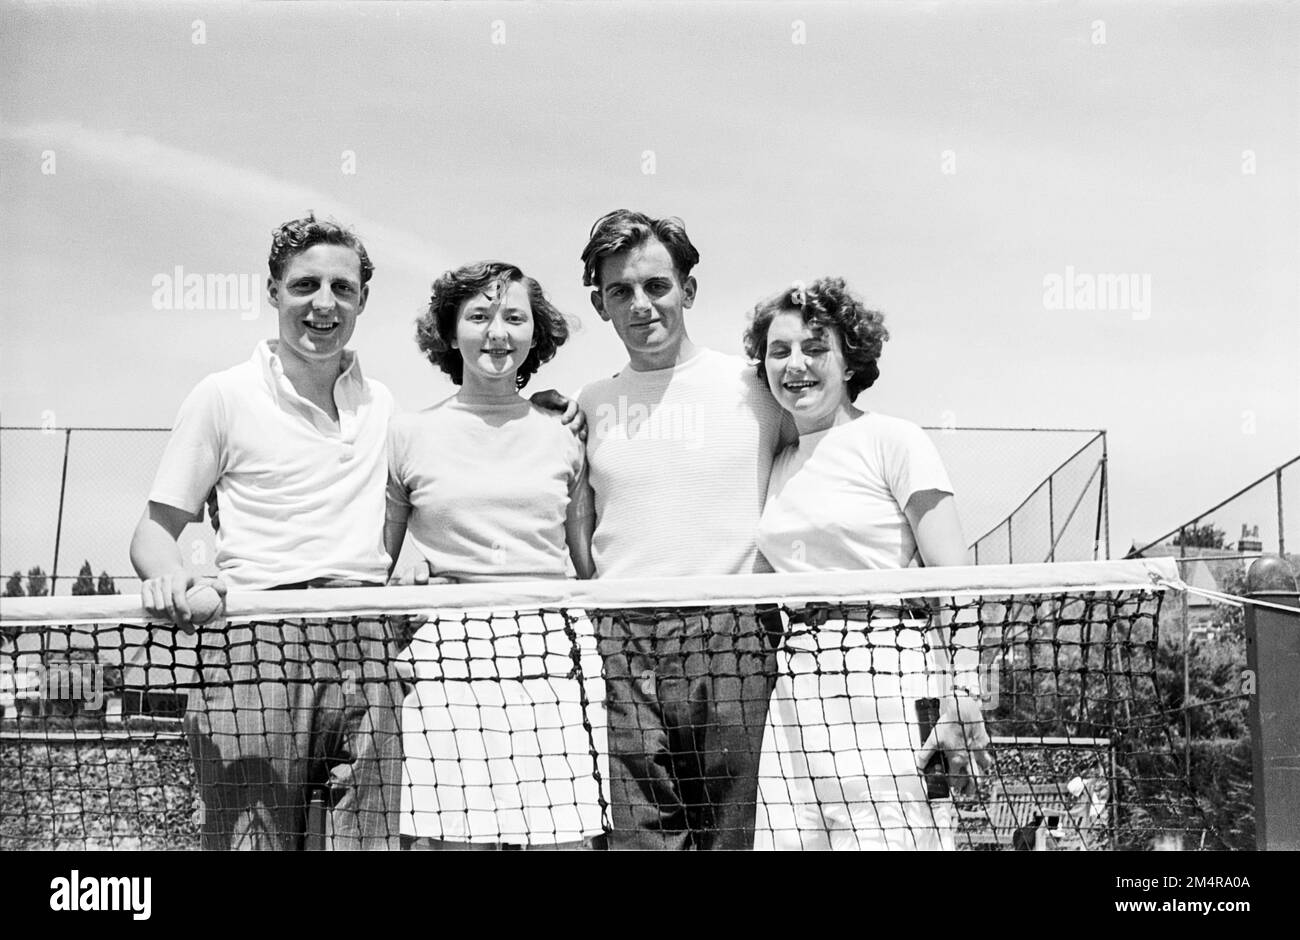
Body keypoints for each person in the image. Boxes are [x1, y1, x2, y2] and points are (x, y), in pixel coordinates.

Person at [130, 214, 403, 849]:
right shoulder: (222, 394)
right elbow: (152, 532)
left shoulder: (384, 404)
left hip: (366, 638)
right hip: (254, 641)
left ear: (363, 298)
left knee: (370, 842)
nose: (323, 303)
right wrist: (172, 578)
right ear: (273, 290)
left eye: (342, 287)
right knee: (251, 841)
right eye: (305, 284)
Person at [743, 277, 992, 850]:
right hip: (796, 689)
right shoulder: (778, 461)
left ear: (850, 356)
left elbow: (958, 578)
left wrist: (965, 691)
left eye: (814, 347)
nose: (795, 364)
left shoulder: (895, 440)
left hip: (892, 680)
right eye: (779, 352)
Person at [577, 210, 794, 849]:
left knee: (732, 837)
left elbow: (824, 458)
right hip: (621, 641)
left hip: (734, 637)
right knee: (642, 841)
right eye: (621, 291)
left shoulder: (758, 387)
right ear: (600, 304)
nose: (641, 305)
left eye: (657, 286)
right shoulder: (588, 405)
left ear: (688, 291)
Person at [386, 261, 606, 850]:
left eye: (514, 317)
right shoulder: (407, 432)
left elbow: (585, 562)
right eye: (479, 316)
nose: (497, 333)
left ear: (537, 334)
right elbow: (375, 563)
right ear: (450, 331)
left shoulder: (566, 430)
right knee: (455, 843)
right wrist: (406, 577)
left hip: (550, 655)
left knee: (562, 841)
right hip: (448, 659)